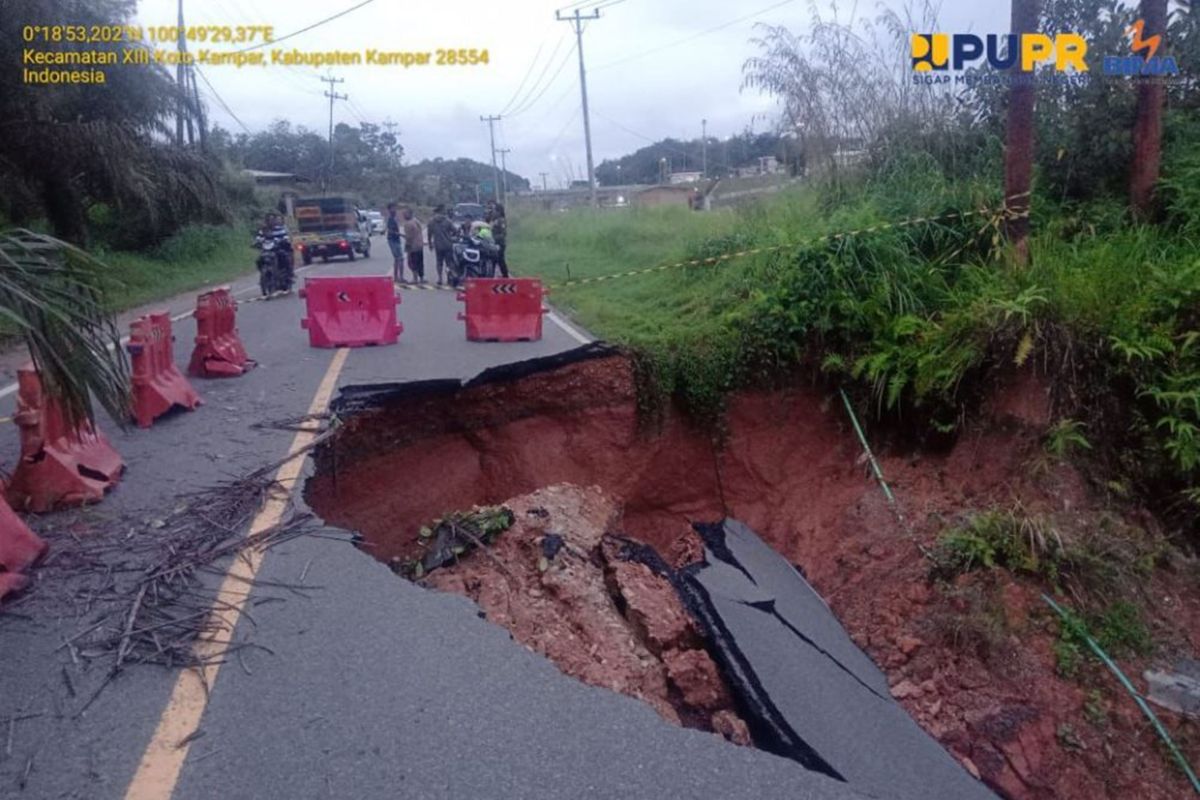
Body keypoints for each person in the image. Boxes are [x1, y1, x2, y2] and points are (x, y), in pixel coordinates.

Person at [427, 204, 456, 285]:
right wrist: (451, 237)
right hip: (447, 245)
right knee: (449, 263)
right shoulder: (448, 221)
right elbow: (455, 231)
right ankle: (449, 278)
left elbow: (429, 234)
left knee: (439, 262)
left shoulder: (431, 222)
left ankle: (440, 278)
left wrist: (430, 244)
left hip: (438, 245)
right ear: (442, 211)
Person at [402, 207, 425, 283]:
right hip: (420, 245)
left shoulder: (407, 224)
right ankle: (422, 278)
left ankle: (415, 279)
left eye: (405, 214)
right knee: (420, 262)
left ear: (409, 214)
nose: (403, 215)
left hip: (413, 246)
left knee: (412, 263)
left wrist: (407, 248)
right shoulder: (416, 221)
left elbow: (409, 237)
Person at [486, 202, 509, 277]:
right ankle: (491, 277)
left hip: (499, 244)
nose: (493, 212)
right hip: (493, 243)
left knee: (500, 260)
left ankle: (506, 276)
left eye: (495, 210)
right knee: (492, 260)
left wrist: (494, 238)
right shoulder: (493, 220)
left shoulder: (501, 220)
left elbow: (503, 234)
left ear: (499, 211)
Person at [386, 203, 404, 282]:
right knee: (400, 258)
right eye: (393, 208)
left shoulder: (393, 219)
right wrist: (401, 235)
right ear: (389, 210)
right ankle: (400, 277)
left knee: (397, 259)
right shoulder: (390, 219)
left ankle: (397, 277)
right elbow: (391, 231)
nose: (395, 210)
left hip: (395, 240)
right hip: (393, 240)